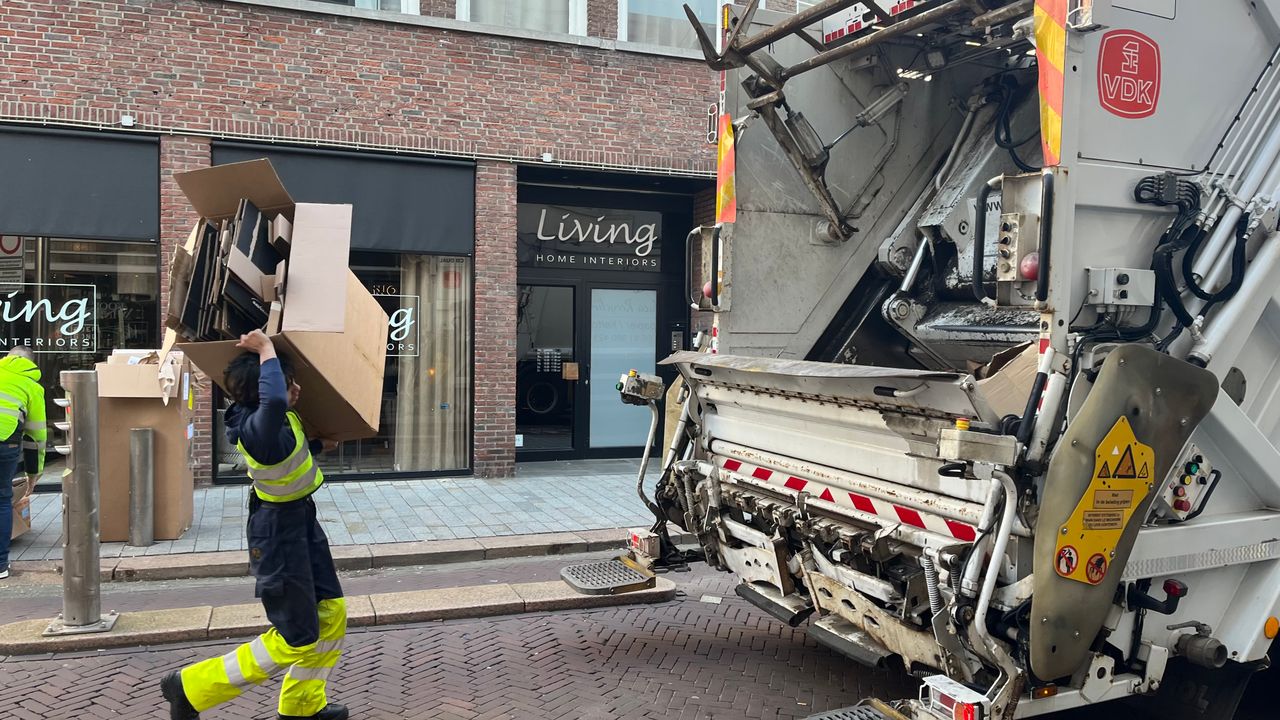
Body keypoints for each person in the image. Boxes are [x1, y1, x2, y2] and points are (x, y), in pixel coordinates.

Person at [162, 330, 347, 720]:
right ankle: (191, 687)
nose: (293, 388)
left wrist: (318, 447)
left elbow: (285, 453)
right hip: (279, 535)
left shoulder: (273, 427)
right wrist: (265, 348)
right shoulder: (257, 426)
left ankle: (303, 707)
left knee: (331, 613)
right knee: (297, 638)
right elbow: (276, 400)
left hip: (301, 523)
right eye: (286, 379)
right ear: (263, 390)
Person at [0, 346, 46, 580]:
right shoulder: (32, 387)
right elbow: (36, 437)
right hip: (4, 441)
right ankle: (0, 566)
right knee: (1, 499)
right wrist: (33, 475)